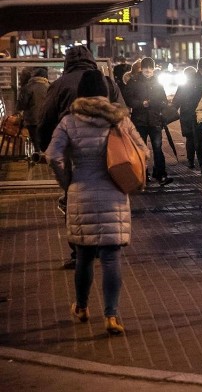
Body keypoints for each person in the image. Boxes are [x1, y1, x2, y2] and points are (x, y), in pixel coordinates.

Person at [44, 69, 148, 336]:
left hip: (81, 193)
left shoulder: (69, 122)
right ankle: (111, 315)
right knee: (112, 256)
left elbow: (52, 156)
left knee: (84, 257)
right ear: (105, 92)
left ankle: (81, 307)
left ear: (81, 94)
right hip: (114, 192)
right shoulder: (119, 121)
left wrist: (67, 181)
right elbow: (143, 151)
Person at [37, 45, 124, 270]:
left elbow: (45, 120)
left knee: (75, 200)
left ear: (67, 62)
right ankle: (106, 245)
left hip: (72, 152)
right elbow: (122, 113)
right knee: (106, 196)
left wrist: (46, 147)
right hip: (106, 151)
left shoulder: (59, 85)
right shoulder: (107, 82)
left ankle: (80, 250)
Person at [124, 57, 173, 186]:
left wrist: (159, 105)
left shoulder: (157, 82)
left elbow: (163, 99)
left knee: (157, 148)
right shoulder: (134, 82)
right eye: (146, 68)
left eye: (150, 68)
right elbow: (128, 99)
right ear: (141, 69)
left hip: (155, 119)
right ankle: (142, 174)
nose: (148, 71)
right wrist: (141, 104)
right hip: (140, 120)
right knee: (141, 148)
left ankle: (160, 174)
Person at [18, 66, 50, 159]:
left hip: (32, 119)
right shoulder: (50, 86)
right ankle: (44, 158)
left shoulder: (28, 87)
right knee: (44, 140)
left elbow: (21, 105)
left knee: (35, 141)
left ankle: (37, 156)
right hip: (45, 119)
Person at [170, 66, 199, 168]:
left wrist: (169, 112)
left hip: (186, 116)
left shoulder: (183, 86)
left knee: (190, 139)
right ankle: (201, 160)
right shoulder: (198, 85)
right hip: (198, 116)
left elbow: (176, 101)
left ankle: (190, 160)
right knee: (199, 139)